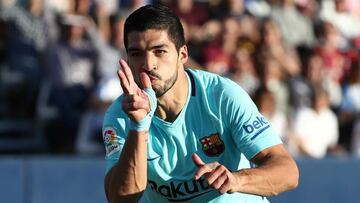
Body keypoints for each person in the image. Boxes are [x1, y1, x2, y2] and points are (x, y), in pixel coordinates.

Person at [102, 4, 298, 203]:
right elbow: (120, 199)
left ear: (183, 55)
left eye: (159, 51)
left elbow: (288, 172)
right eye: (136, 54)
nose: (148, 64)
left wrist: (236, 180)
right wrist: (139, 126)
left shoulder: (221, 95)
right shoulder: (121, 114)